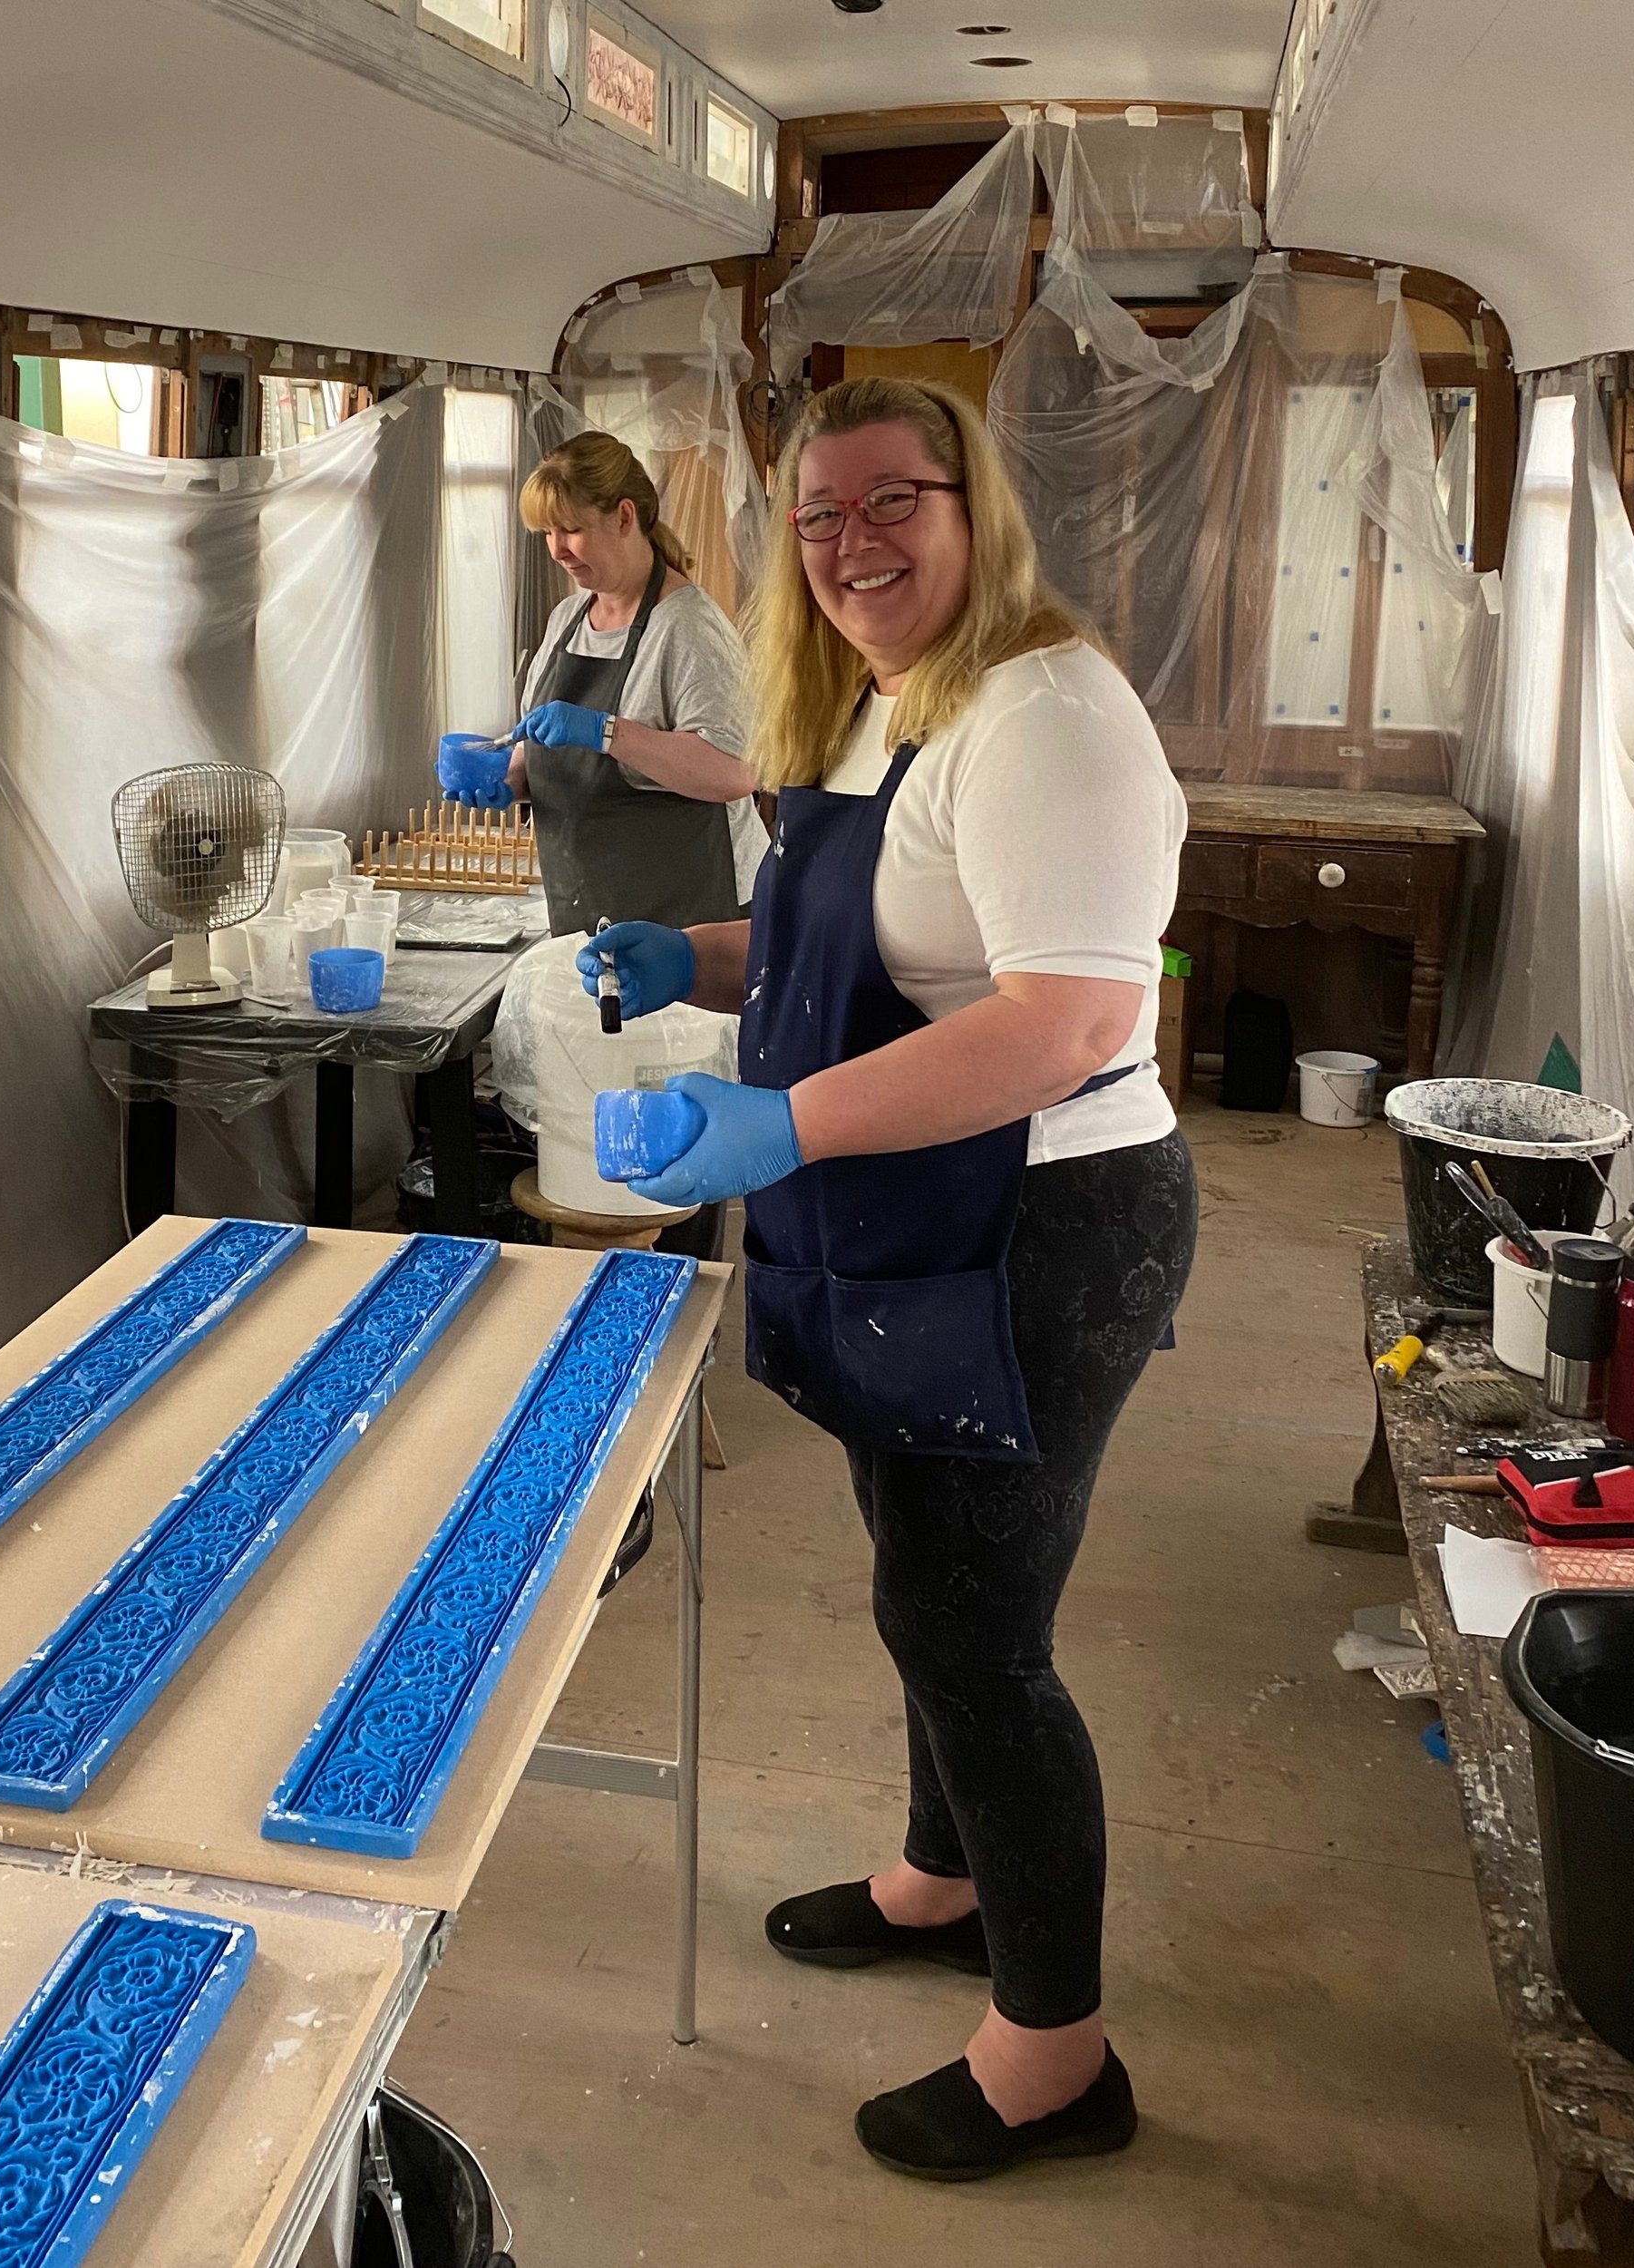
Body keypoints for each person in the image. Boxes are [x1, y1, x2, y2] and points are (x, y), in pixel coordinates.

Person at [579, 375, 1196, 2182]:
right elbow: (859, 930)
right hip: (901, 1204)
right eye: (815, 516)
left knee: (973, 1628)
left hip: (1034, 1223)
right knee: (912, 1559)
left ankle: (1053, 2045)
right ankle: (939, 1876)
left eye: (888, 503)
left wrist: (774, 1131)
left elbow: (1065, 1019)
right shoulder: (885, 705)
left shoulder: (1045, 717)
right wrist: (687, 951)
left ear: (971, 508)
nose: (850, 546)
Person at [441, 432, 764, 937]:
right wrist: (510, 781)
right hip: (586, 904)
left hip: (691, 914)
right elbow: (541, 746)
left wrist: (609, 732)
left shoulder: (686, 626)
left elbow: (736, 773)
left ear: (625, 517)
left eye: (570, 529)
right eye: (546, 533)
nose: (557, 551)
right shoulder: (568, 618)